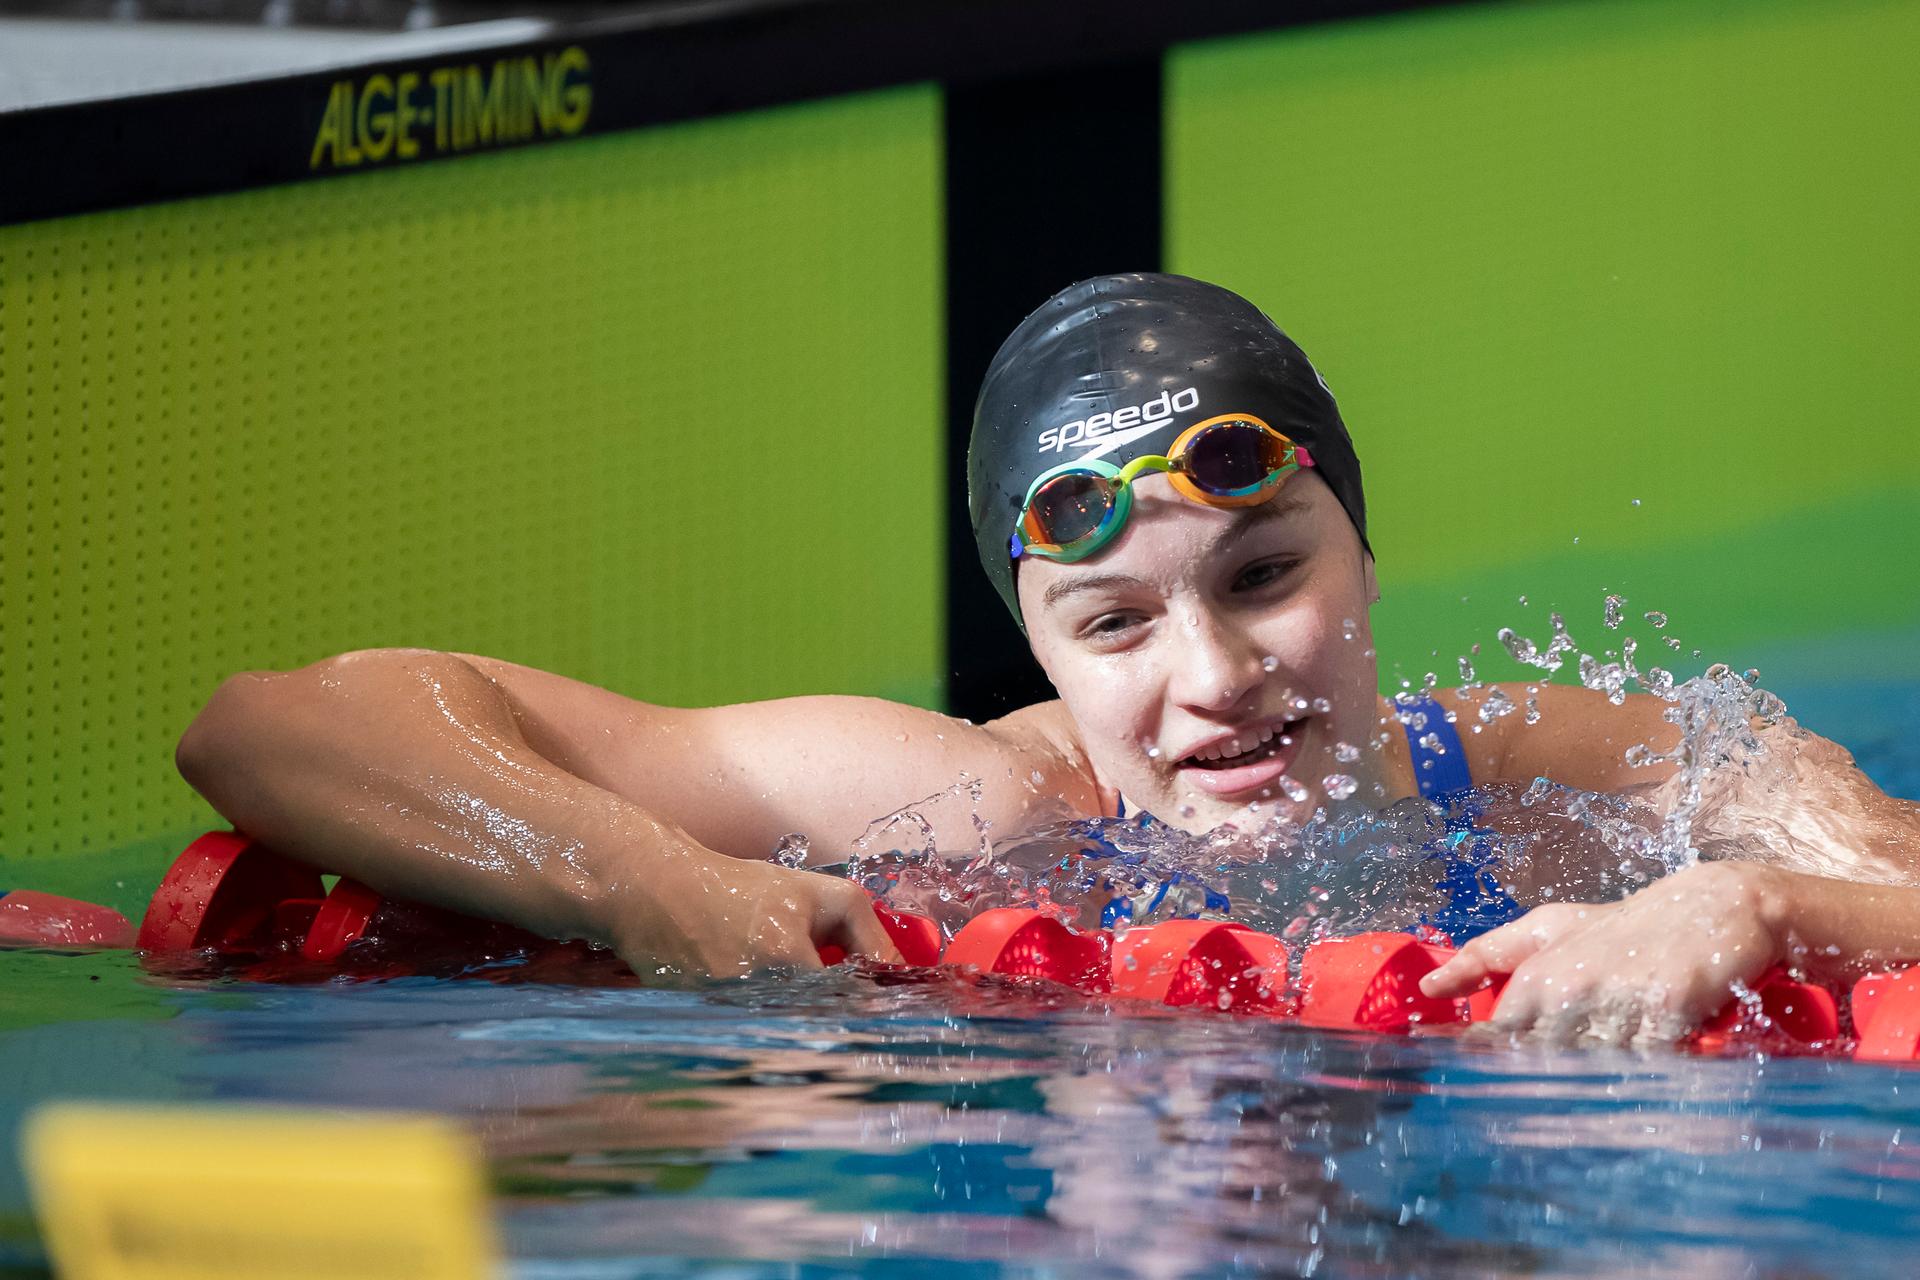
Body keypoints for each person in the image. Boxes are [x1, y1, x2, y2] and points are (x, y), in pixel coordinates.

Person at [176, 273, 1920, 1046]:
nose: (1218, 672)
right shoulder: (983, 804)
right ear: (1038, 649)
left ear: (1366, 555)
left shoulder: (1558, 761)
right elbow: (273, 726)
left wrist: (1755, 909)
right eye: (1117, 623)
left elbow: (1890, 868)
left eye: (1266, 573)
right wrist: (638, 879)